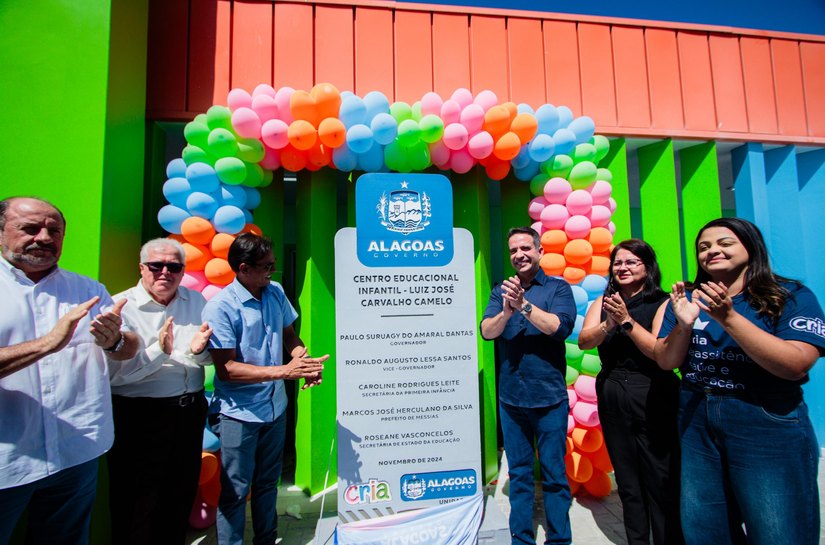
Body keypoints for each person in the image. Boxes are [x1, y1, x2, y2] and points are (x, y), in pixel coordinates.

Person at [655, 217, 824, 545]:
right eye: (704, 247)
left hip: (765, 419)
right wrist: (684, 325)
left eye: (724, 243)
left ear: (751, 246)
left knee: (777, 528)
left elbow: (796, 364)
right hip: (696, 416)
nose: (712, 251)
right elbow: (666, 360)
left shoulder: (788, 295)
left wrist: (728, 318)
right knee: (704, 527)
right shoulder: (688, 299)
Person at [0, 196, 138, 545]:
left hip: (77, 451)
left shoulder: (87, 289)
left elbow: (128, 346)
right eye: (30, 228)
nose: (44, 238)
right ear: (2, 232)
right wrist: (46, 343)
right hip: (9, 461)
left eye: (54, 230)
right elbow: (50, 344)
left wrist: (115, 342)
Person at [202, 233, 328, 545]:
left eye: (273, 266)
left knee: (267, 483)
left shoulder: (275, 293)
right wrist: (286, 372)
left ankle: (267, 539)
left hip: (276, 409)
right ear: (243, 268)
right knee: (235, 490)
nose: (272, 273)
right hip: (238, 415)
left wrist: (303, 359)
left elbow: (289, 336)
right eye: (267, 267)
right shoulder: (220, 307)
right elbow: (226, 369)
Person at [106, 238, 213, 545]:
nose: (165, 272)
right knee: (135, 504)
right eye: (156, 266)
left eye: (174, 266)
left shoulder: (197, 302)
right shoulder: (121, 307)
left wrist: (195, 353)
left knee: (179, 496)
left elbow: (204, 357)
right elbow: (115, 376)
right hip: (139, 416)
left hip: (189, 412)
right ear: (142, 268)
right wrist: (159, 352)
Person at [578, 239, 683, 545]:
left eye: (631, 262)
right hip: (612, 390)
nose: (622, 268)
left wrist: (625, 321)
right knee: (627, 481)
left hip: (653, 391)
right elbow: (585, 341)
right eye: (618, 263)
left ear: (648, 268)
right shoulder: (603, 302)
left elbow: (658, 353)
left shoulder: (663, 302)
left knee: (660, 478)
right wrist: (608, 324)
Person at [480, 227, 576, 545]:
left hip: (549, 399)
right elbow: (487, 331)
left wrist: (524, 306)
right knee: (519, 474)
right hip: (512, 400)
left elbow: (559, 328)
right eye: (513, 250)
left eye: (525, 248)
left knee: (553, 473)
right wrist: (507, 311)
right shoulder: (501, 292)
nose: (519, 255)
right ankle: (521, 538)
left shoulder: (558, 289)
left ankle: (559, 539)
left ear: (539, 251)